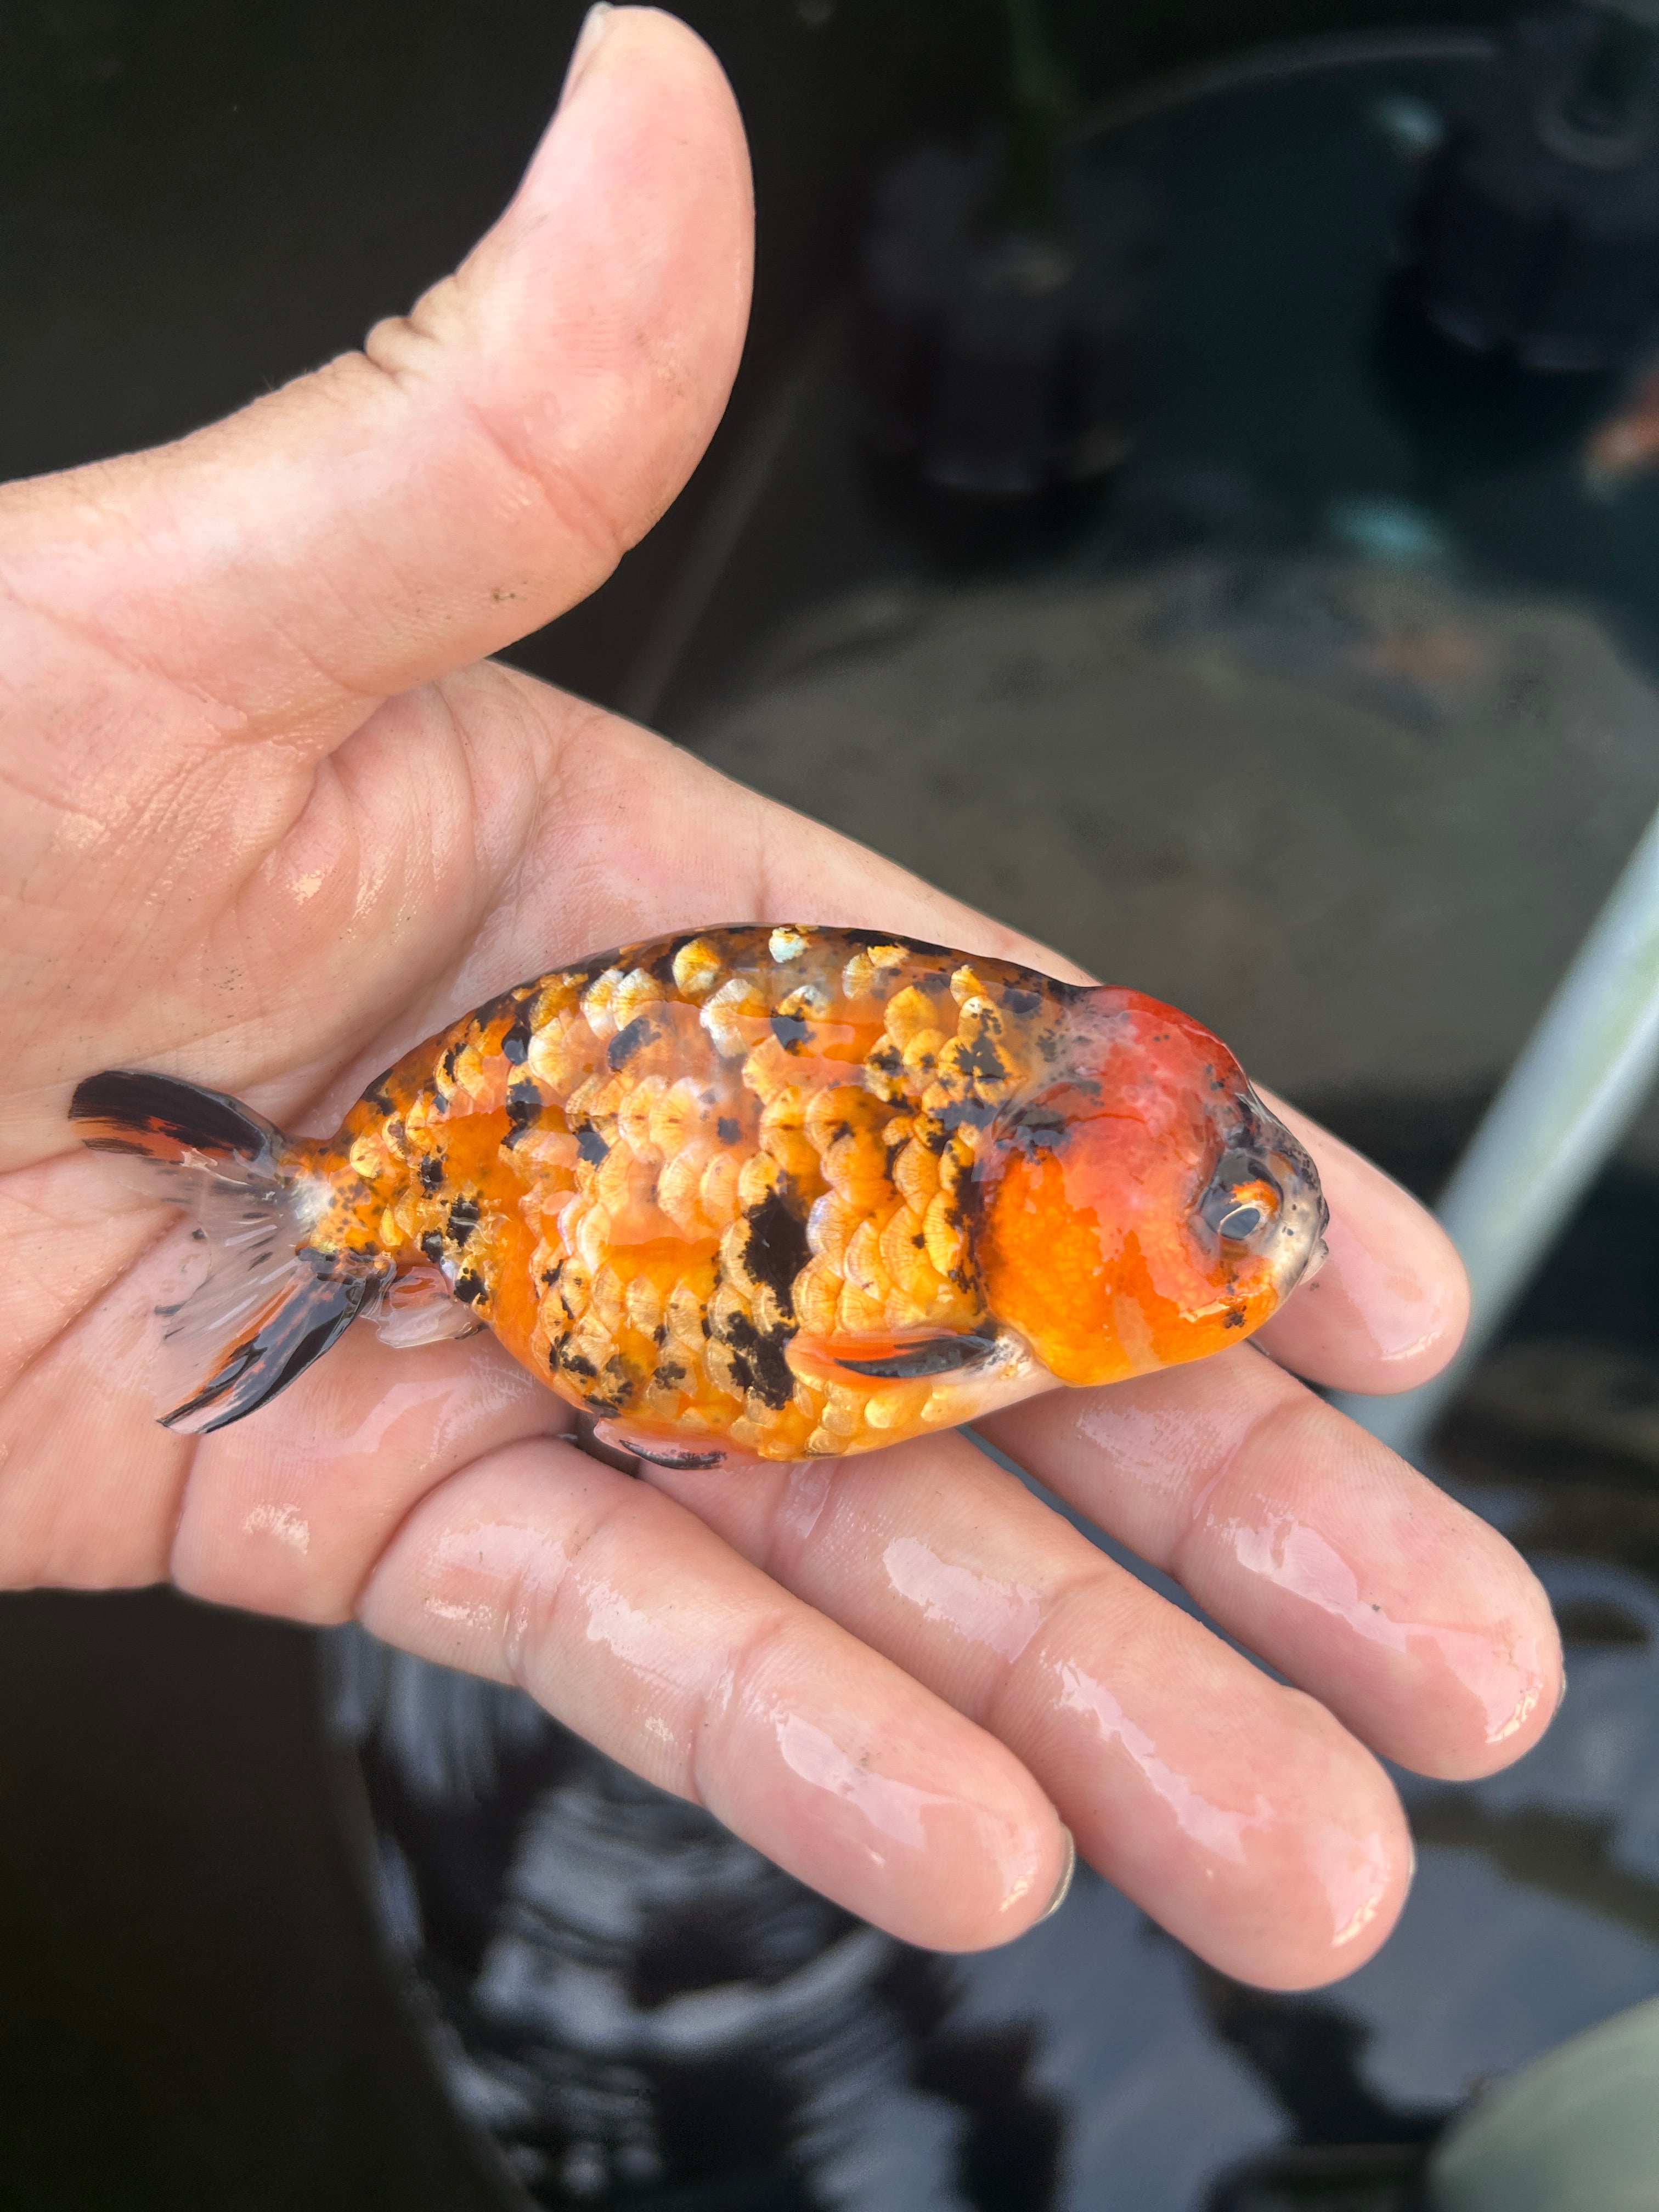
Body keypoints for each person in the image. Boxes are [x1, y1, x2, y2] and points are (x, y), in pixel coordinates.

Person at [0, 5, 1558, 1990]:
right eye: (1234, 1218)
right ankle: (331, 1210)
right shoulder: (951, 1274)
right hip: (560, 1181)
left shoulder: (986, 1234)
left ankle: (341, 1216)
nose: (1262, 1246)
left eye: (1240, 1217)